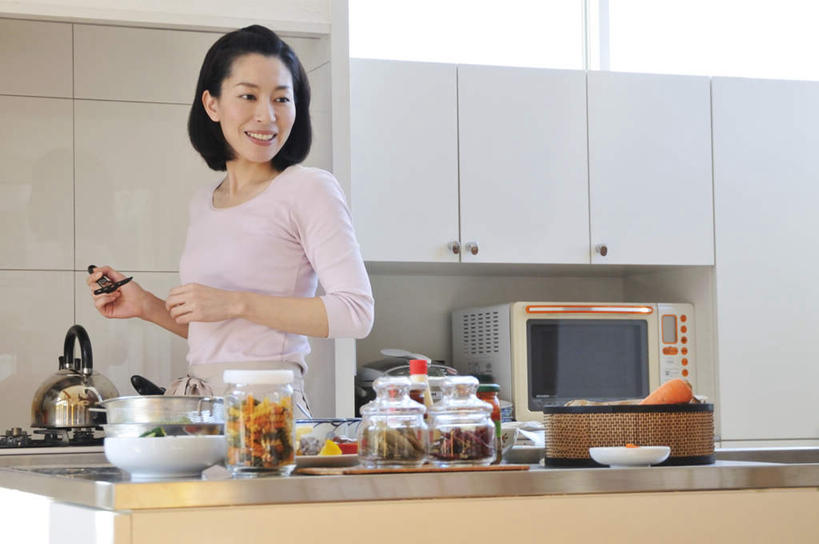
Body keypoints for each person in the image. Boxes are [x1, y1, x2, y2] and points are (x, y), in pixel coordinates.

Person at [87, 25, 374, 416]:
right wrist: (146, 305)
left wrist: (235, 302)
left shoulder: (309, 188)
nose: (267, 115)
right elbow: (226, 333)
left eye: (281, 99)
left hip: (268, 409)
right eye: (248, 96)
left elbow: (356, 313)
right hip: (201, 410)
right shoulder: (203, 202)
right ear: (212, 104)